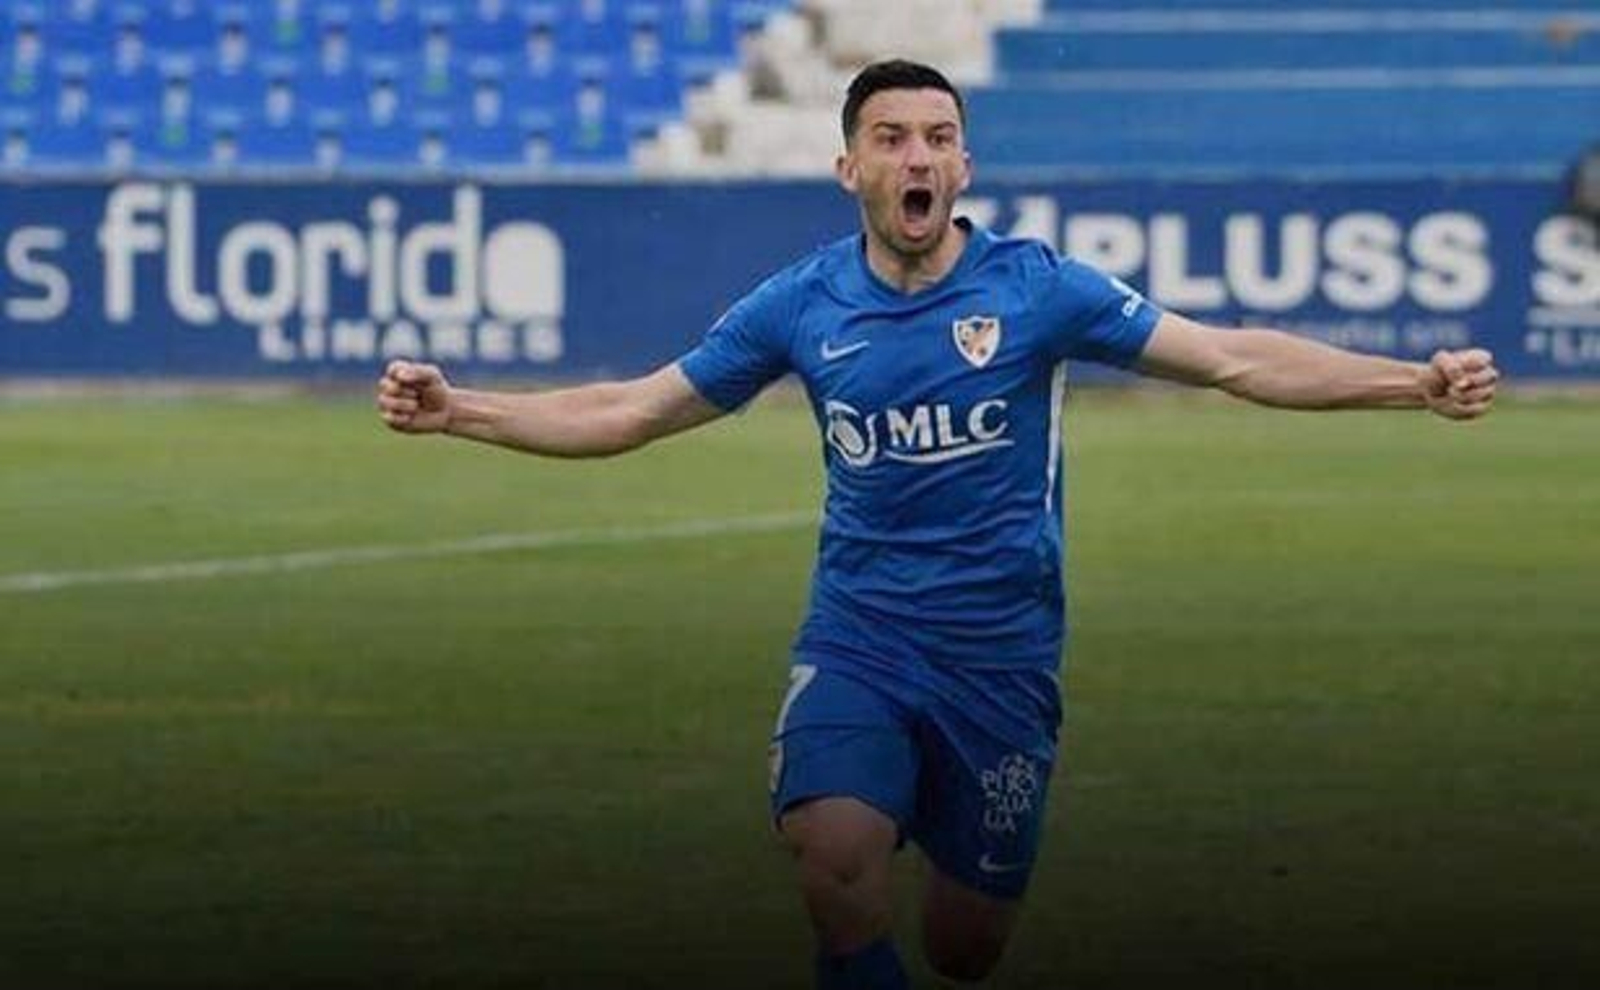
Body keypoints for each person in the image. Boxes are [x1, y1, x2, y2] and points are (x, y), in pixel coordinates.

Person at [376, 59, 1499, 988]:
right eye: (892, 138)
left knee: (965, 949)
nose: (917, 157)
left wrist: (1411, 383)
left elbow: (1232, 358)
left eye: (938, 138)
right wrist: (460, 411)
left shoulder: (1037, 290)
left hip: (1000, 658)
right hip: (859, 638)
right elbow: (631, 409)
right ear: (849, 167)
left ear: (964, 166)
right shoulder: (802, 304)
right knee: (833, 858)